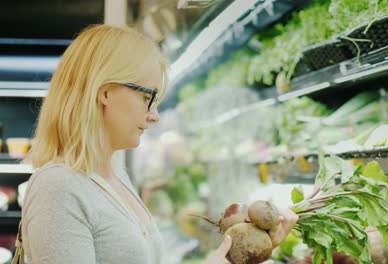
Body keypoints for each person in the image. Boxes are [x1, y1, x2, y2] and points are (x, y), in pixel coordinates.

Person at [22, 24, 297, 264]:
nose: (154, 116)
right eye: (147, 98)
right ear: (105, 92)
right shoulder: (58, 187)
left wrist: (238, 255)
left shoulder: (113, 176)